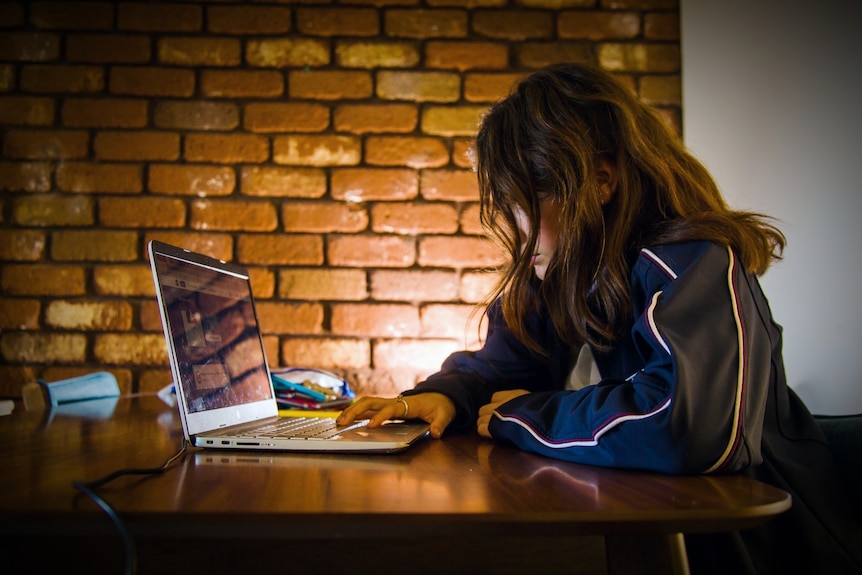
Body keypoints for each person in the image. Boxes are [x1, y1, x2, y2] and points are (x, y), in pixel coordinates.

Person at [337, 63, 861, 573]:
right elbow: (504, 367)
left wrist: (523, 415)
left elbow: (681, 424)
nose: (515, 235)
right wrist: (447, 394)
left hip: (753, 543)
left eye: (520, 205)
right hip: (652, 519)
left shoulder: (694, 257)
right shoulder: (565, 272)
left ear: (598, 181)